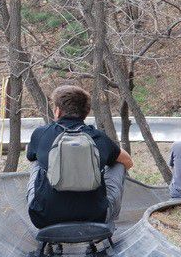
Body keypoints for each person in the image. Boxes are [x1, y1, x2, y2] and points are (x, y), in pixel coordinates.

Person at [26, 85, 134, 230]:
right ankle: (103, 211)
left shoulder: (40, 134)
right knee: (119, 163)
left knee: (36, 161)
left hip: (43, 217)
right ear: (86, 112)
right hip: (96, 216)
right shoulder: (98, 137)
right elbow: (128, 161)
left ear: (57, 111)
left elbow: (30, 157)